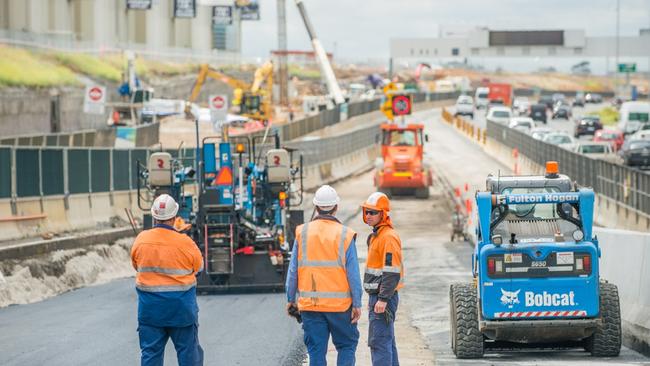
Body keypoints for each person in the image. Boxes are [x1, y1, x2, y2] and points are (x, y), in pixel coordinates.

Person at [286, 185, 363, 366]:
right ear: (336, 207)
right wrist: (357, 303)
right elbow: (353, 274)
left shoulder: (302, 233)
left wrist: (290, 299)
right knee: (346, 346)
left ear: (316, 207)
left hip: (311, 308)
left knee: (316, 352)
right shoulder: (345, 234)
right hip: (341, 308)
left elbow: (293, 271)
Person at [131, 194, 204, 366]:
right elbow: (199, 268)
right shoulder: (185, 242)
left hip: (150, 311)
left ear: (154, 216)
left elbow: (136, 265)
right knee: (188, 355)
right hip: (181, 312)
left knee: (151, 355)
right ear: (174, 217)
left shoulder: (141, 240)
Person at [361, 192, 404, 366]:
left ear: (383, 214)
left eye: (373, 212)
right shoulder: (377, 236)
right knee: (387, 341)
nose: (368, 215)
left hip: (384, 297)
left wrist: (382, 299)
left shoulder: (388, 237)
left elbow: (392, 271)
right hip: (378, 296)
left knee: (379, 342)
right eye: (367, 212)